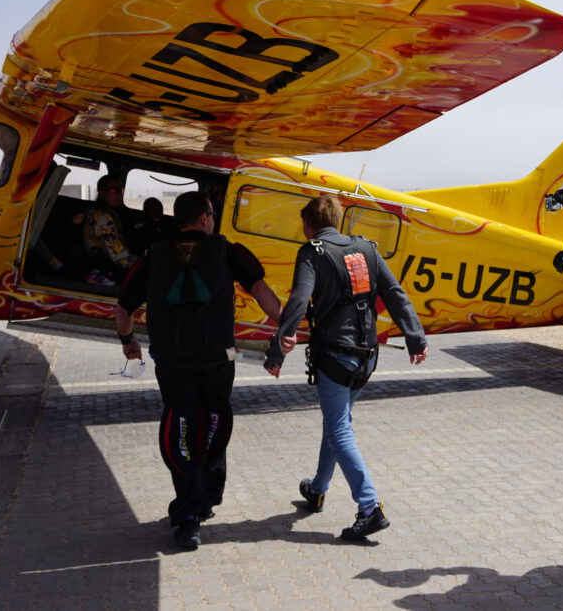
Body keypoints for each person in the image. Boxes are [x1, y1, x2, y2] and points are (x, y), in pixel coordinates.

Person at [114, 191, 281, 551]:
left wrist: (128, 341)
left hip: (173, 363)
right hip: (218, 360)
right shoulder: (227, 251)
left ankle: (188, 515)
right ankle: (207, 499)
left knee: (183, 428)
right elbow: (266, 298)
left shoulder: (154, 256)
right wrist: (286, 332)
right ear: (205, 218)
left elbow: (123, 309)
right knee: (215, 420)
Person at [264, 195, 428, 541]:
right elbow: (395, 294)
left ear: (308, 226)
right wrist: (416, 337)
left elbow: (298, 299)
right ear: (336, 221)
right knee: (337, 421)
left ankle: (369, 507)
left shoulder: (312, 253)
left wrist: (279, 348)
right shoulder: (367, 248)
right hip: (367, 355)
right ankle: (318, 489)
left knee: (339, 429)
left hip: (336, 356)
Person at [83, 174, 139, 283]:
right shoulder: (102, 217)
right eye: (114, 190)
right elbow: (118, 256)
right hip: (105, 270)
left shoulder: (106, 213)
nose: (119, 194)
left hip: (107, 264)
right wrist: (141, 264)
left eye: (121, 190)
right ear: (102, 193)